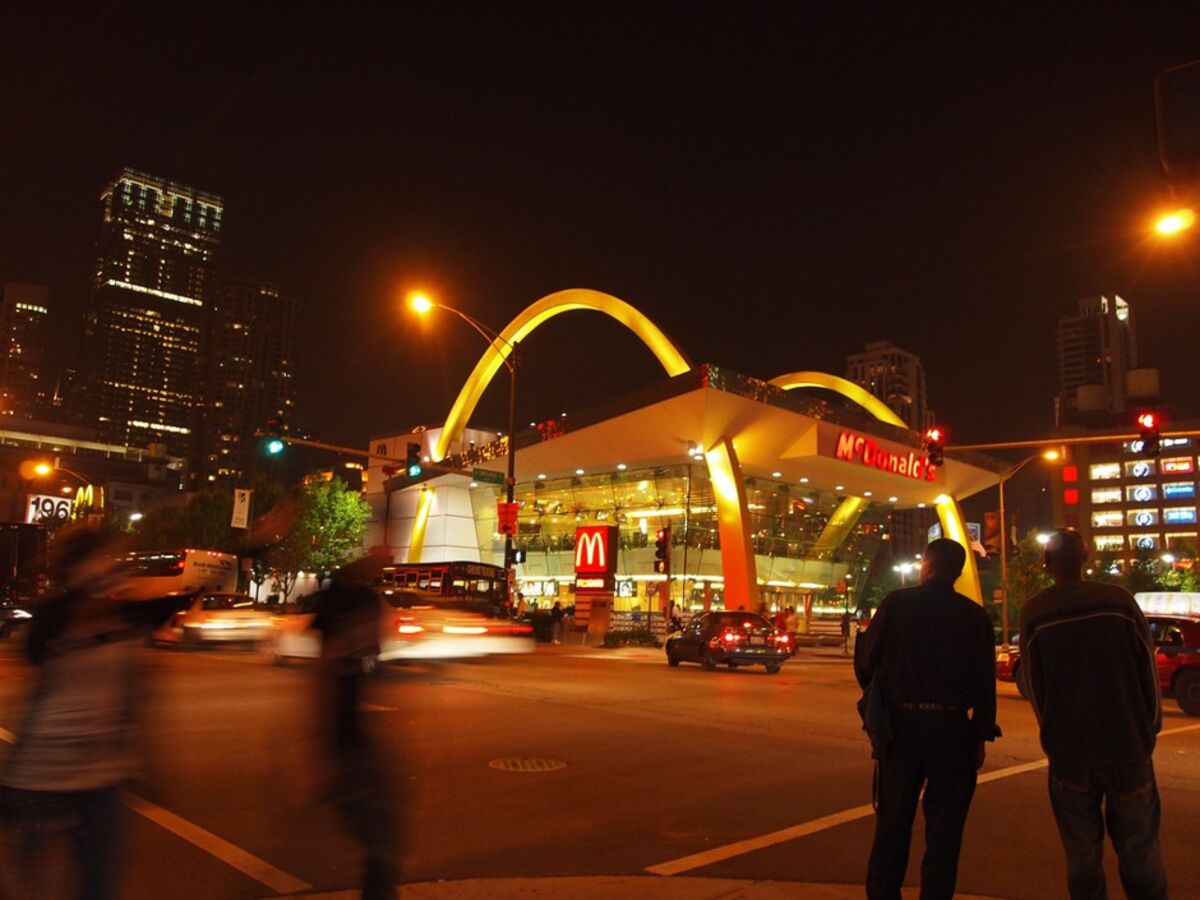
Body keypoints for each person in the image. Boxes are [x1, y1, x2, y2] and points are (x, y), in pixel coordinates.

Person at [0, 526, 184, 900]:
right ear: (79, 567)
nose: (113, 566)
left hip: (102, 780)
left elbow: (174, 605)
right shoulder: (51, 620)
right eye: (104, 558)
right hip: (40, 779)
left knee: (100, 885)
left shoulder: (127, 618)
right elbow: (40, 657)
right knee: (31, 887)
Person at [1020, 529, 1167, 899]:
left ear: (1045, 563)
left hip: (1070, 753)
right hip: (1128, 747)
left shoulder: (1036, 611)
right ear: (1086, 556)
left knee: (1082, 857)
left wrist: (1051, 735)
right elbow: (1145, 668)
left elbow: (1035, 686)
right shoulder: (1118, 601)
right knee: (1141, 854)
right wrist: (1148, 730)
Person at [854, 538, 999, 900]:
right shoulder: (973, 616)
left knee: (893, 824)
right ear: (959, 571)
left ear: (926, 565)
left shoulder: (896, 605)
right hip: (953, 730)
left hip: (902, 728)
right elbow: (985, 684)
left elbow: (866, 664)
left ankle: (884, 894)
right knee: (946, 831)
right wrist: (979, 736)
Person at [309, 549, 401, 900]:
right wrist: (319, 749)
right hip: (341, 741)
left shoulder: (369, 602)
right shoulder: (339, 603)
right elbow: (323, 673)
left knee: (383, 837)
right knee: (381, 837)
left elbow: (368, 668)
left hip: (360, 738)